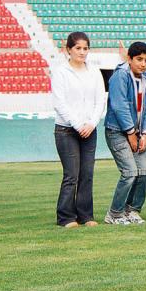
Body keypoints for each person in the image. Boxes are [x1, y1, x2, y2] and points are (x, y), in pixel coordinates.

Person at [51, 32, 106, 228]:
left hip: (90, 130)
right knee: (71, 175)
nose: (82, 52)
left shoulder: (94, 71)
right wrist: (77, 124)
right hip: (66, 130)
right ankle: (66, 217)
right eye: (78, 48)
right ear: (68, 50)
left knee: (87, 174)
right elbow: (60, 102)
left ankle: (86, 215)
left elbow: (100, 100)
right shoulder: (60, 72)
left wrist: (91, 123)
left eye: (85, 48)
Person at [103, 41, 146, 226]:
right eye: (139, 59)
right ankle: (114, 214)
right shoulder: (120, 76)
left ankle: (131, 210)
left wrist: (145, 133)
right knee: (130, 172)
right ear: (129, 58)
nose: (143, 64)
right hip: (117, 131)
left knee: (145, 173)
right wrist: (131, 133)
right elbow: (119, 105)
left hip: (138, 133)